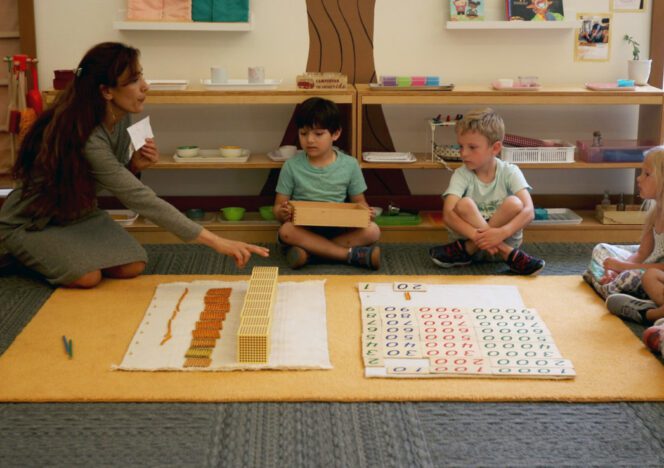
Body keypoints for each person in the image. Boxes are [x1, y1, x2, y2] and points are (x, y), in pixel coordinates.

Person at [0, 42, 269, 288]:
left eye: (141, 75)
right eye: (134, 80)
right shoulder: (87, 136)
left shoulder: (120, 116)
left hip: (79, 216)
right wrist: (218, 241)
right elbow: (139, 199)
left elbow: (99, 176)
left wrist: (133, 166)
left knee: (132, 265)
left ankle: (61, 251)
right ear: (106, 91)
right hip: (33, 223)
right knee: (87, 277)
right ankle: (19, 253)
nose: (145, 86)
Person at [429, 108, 545, 275]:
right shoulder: (461, 174)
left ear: (495, 148)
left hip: (482, 244)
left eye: (472, 147)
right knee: (464, 204)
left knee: (515, 203)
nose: (463, 153)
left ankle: (467, 251)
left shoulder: (510, 171)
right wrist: (480, 237)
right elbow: (448, 214)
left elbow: (529, 211)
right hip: (472, 242)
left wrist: (500, 234)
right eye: (461, 146)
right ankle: (508, 254)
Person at [273, 97, 380, 270]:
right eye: (303, 133)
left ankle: (309, 254)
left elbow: (359, 202)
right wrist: (282, 213)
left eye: (318, 133)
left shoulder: (350, 164)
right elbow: (277, 208)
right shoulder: (291, 166)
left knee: (373, 230)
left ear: (336, 134)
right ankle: (347, 255)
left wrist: (365, 212)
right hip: (303, 228)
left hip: (337, 228)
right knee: (286, 231)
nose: (310, 140)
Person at [586, 146, 664, 325]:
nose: (639, 178)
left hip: (655, 273)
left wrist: (624, 267)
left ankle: (650, 312)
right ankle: (613, 284)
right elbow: (642, 253)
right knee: (602, 249)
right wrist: (615, 269)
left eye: (646, 174)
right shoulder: (655, 211)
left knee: (647, 276)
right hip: (648, 266)